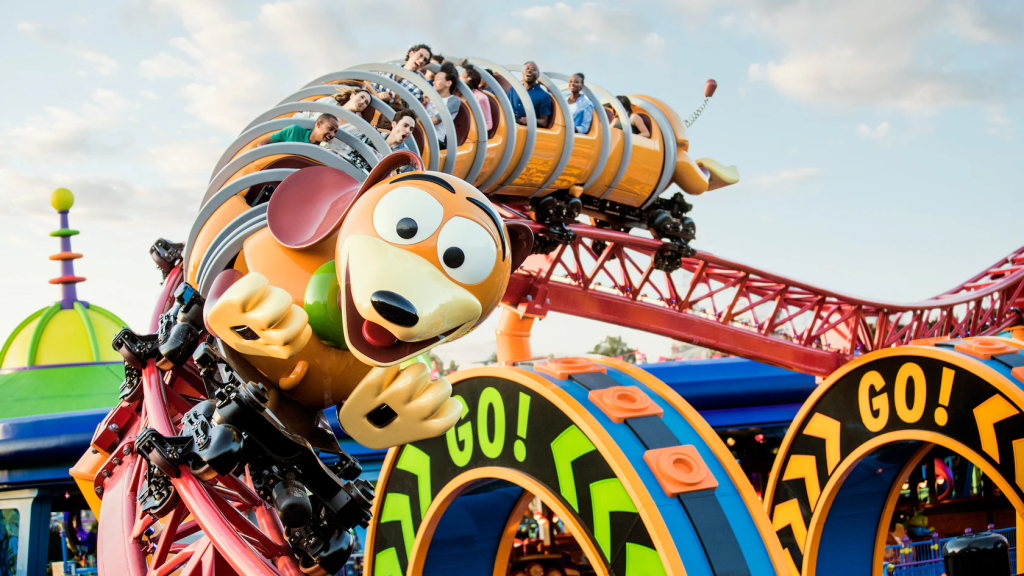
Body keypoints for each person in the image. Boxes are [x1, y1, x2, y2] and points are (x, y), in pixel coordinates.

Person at [345, 108, 421, 173]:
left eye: (411, 129)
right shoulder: (373, 135)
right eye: (405, 125)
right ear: (394, 124)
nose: (408, 131)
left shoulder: (405, 157)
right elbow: (349, 148)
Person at [424, 61, 461, 150]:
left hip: (435, 139)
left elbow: (436, 120)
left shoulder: (453, 100)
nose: (433, 82)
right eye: (434, 79)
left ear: (448, 83)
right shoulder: (429, 97)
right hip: (421, 133)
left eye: (438, 79)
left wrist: (415, 119)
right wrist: (423, 101)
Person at [507, 61, 552, 127]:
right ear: (522, 72)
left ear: (538, 75)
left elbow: (544, 122)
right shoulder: (513, 89)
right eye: (527, 68)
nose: (529, 71)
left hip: (526, 132)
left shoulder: (544, 96)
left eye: (533, 69)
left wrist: (530, 120)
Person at [255, 114, 339, 147]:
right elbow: (262, 144)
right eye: (330, 129)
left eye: (335, 132)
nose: (332, 134)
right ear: (318, 124)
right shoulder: (294, 131)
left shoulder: (322, 150)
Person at [460, 65, 493, 132]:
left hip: (472, 132)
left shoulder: (481, 97)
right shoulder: (456, 95)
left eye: (462, 75)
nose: (459, 77)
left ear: (469, 78)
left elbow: (489, 124)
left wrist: (474, 130)